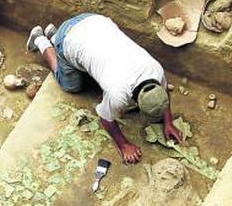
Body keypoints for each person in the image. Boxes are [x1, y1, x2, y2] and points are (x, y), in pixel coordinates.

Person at [26, 14, 182, 164]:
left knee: (89, 67)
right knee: (72, 86)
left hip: (95, 22)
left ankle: (54, 35)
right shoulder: (119, 94)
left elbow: (164, 93)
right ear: (135, 102)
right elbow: (105, 118)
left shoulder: (156, 70)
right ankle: (41, 40)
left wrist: (168, 122)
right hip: (71, 38)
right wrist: (123, 145)